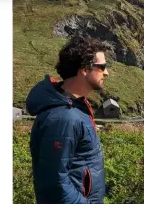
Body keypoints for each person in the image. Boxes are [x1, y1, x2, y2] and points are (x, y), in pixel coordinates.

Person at [26, 36, 109, 204]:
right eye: (102, 67)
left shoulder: (75, 106)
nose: (106, 72)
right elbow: (55, 186)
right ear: (85, 69)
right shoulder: (64, 118)